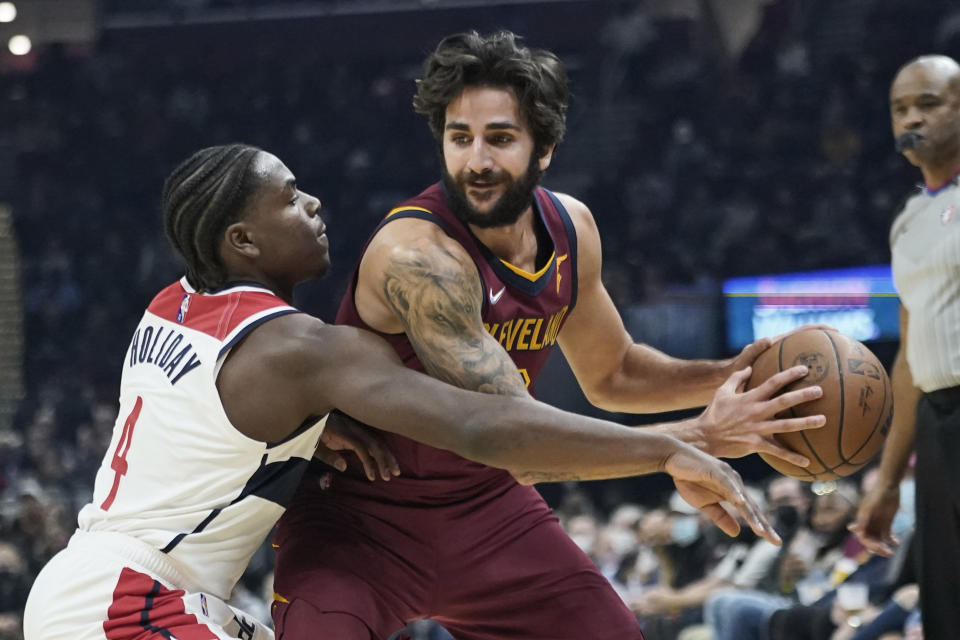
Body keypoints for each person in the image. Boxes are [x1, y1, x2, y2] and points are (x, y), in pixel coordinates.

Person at [22, 143, 816, 640]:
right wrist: (675, 446)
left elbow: (208, 414)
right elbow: (484, 429)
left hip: (93, 587)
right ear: (244, 240)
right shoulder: (300, 348)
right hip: (127, 606)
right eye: (291, 198)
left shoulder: (175, 301)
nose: (315, 203)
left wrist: (314, 427)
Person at [273, 31, 825, 640]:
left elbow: (615, 374)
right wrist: (695, 439)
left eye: (501, 138)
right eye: (460, 138)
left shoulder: (571, 227)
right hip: (360, 521)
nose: (477, 160)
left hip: (487, 510)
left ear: (546, 150)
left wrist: (730, 375)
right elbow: (513, 437)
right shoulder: (418, 256)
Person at [852, 53, 960, 639]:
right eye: (900, 109)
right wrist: (890, 481)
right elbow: (910, 358)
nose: (912, 118)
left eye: (929, 102)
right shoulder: (909, 218)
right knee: (946, 609)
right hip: (938, 427)